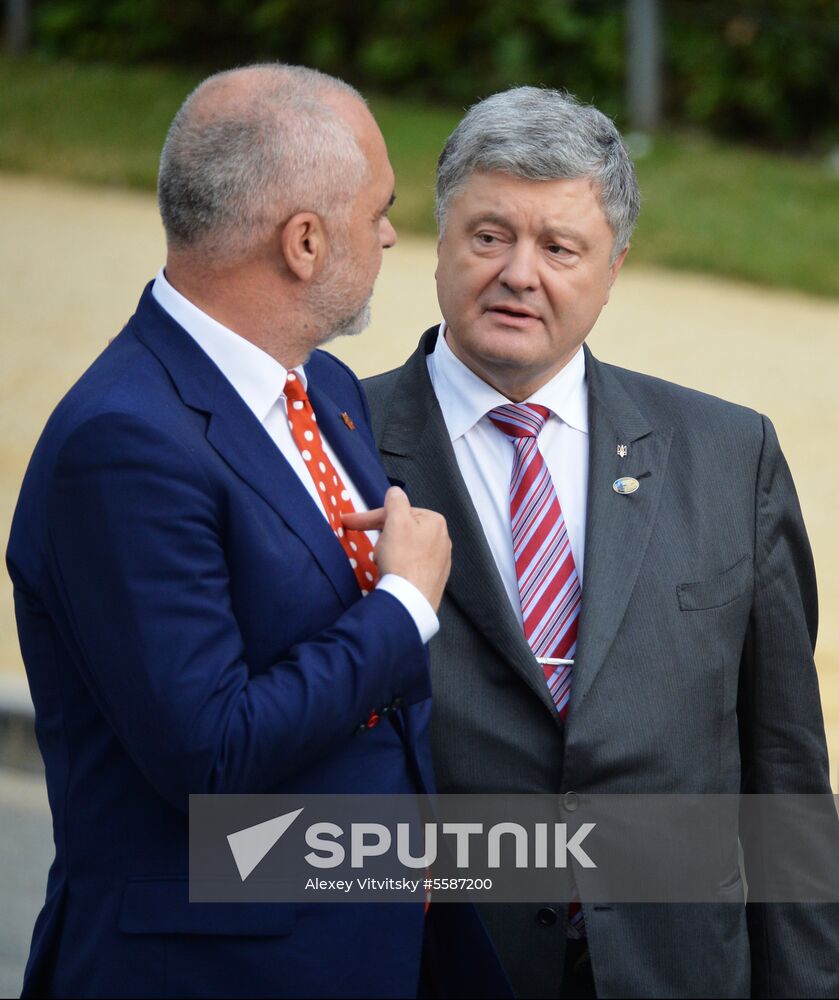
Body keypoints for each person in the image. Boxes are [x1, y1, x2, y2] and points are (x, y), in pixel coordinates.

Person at [6, 65, 508, 999]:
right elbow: (213, 753)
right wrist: (402, 605)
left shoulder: (318, 387)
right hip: (206, 969)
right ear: (305, 242)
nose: (392, 234)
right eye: (378, 212)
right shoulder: (123, 444)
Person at [363, 87, 839, 998]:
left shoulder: (730, 457)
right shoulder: (333, 445)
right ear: (439, 240)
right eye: (489, 235)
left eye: (559, 247)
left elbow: (784, 776)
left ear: (613, 266)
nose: (517, 273)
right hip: (431, 970)